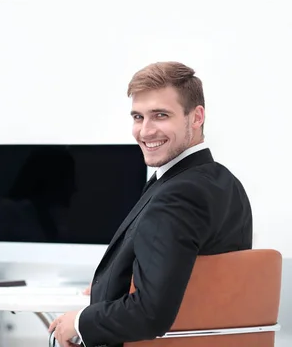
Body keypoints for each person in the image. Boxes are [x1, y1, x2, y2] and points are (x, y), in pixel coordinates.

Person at [49, 62, 253, 347]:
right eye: (138, 117)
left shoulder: (178, 194)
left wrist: (81, 323)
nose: (145, 131)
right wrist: (110, 288)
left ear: (196, 117)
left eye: (160, 115)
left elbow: (150, 313)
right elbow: (187, 277)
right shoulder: (224, 182)